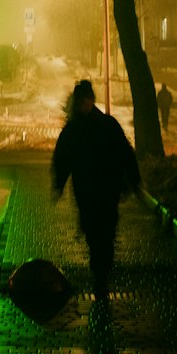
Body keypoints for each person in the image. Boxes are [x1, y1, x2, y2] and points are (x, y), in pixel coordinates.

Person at [52, 78, 141, 296]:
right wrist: (59, 183)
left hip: (106, 189)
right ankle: (99, 270)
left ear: (92, 100)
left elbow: (124, 153)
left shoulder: (104, 125)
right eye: (81, 101)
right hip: (89, 190)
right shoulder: (80, 129)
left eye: (87, 99)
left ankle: (101, 271)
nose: (84, 104)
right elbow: (62, 159)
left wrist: (134, 179)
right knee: (94, 231)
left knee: (106, 230)